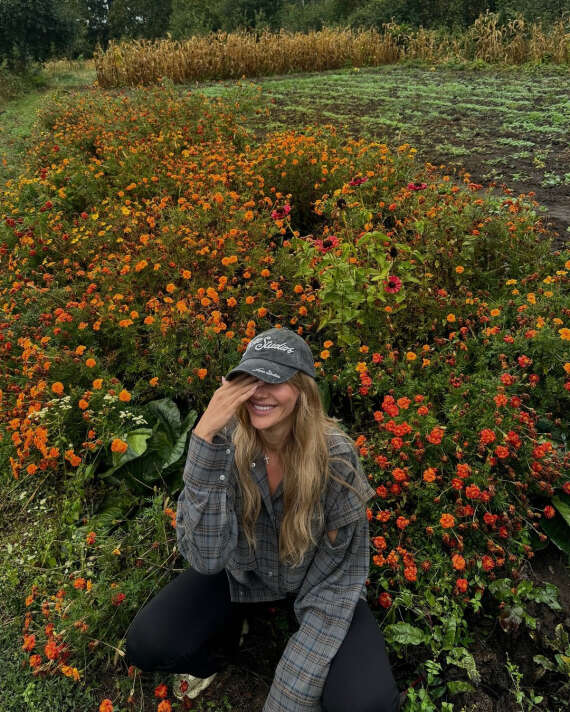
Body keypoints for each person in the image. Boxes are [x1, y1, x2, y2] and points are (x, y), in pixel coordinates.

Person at [125, 327, 400, 712]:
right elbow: (206, 559)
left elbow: (341, 577)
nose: (258, 392)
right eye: (248, 379)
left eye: (275, 380)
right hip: (241, 574)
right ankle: (223, 647)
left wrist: (289, 693)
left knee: (365, 703)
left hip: (318, 584)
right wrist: (203, 439)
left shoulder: (335, 456)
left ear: (302, 390)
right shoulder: (226, 443)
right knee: (147, 643)